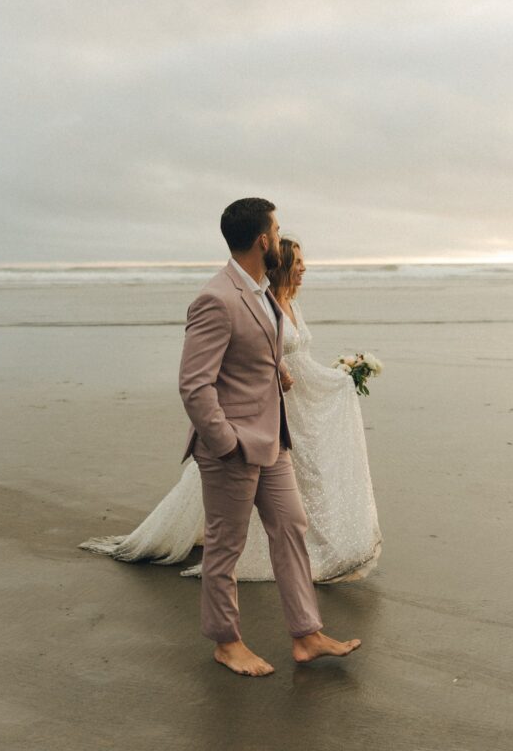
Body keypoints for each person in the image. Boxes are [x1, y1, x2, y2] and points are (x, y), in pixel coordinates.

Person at [83, 198, 362, 677]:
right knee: (225, 545)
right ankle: (226, 641)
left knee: (292, 526)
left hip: (273, 442)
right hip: (232, 448)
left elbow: (250, 353)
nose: (279, 237)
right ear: (261, 239)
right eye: (275, 230)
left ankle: (305, 634)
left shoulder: (260, 293)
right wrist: (226, 443)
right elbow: (195, 384)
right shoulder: (216, 297)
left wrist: (277, 374)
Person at [80, 237, 382, 584]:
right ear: (280, 263)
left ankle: (317, 546)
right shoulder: (261, 305)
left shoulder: (293, 307)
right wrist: (278, 374)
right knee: (284, 483)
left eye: (302, 261)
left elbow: (301, 361)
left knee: (305, 479)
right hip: (269, 409)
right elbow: (246, 359)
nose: (303, 267)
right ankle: (290, 552)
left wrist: (340, 378)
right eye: (296, 261)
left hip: (299, 407)